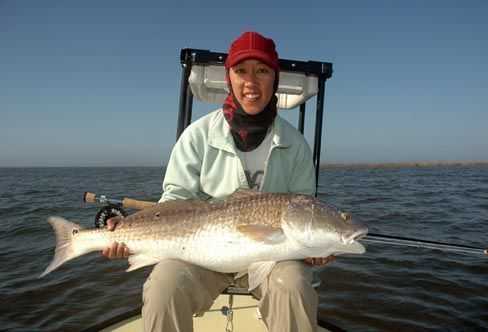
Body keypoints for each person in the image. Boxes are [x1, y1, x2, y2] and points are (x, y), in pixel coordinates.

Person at [102, 31, 335, 332]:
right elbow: (173, 203)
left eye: (262, 70)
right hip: (200, 255)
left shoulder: (296, 145)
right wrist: (127, 231)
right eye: (241, 71)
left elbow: (305, 212)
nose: (251, 82)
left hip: (273, 258)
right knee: (162, 288)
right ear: (229, 78)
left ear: (274, 79)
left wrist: (316, 247)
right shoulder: (196, 137)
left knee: (293, 286)